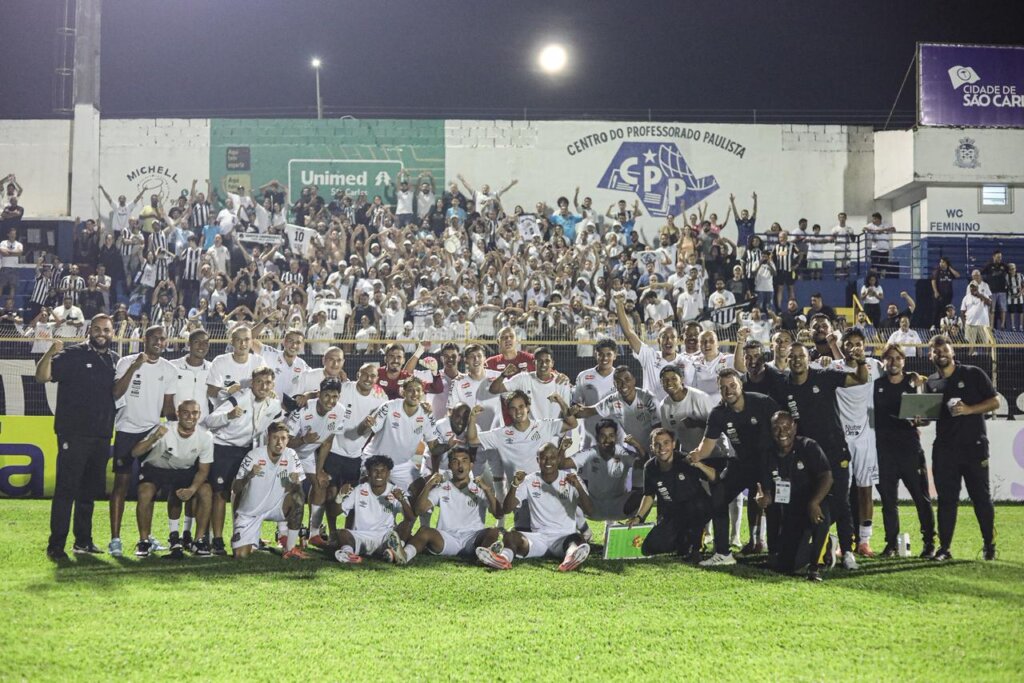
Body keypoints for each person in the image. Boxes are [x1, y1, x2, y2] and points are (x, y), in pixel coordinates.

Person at [772, 342, 868, 569]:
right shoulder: (783, 386)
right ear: (787, 360)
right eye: (792, 356)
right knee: (806, 501)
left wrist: (861, 361)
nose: (797, 360)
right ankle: (814, 545)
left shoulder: (824, 377)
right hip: (807, 457)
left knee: (841, 502)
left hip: (835, 451)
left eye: (801, 356)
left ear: (809, 359)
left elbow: (860, 379)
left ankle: (847, 551)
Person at [36, 316, 119, 561]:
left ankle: (83, 542)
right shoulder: (73, 355)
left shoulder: (115, 360)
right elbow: (41, 377)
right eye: (97, 329)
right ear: (89, 330)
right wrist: (50, 353)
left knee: (88, 493)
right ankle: (56, 545)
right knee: (66, 490)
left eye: (106, 330)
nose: (102, 333)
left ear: (112, 333)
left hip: (102, 435)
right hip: (73, 434)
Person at [687, 368, 779, 567]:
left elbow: (782, 430)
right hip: (741, 464)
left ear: (741, 385)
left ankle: (776, 553)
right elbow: (706, 445)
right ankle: (723, 553)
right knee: (718, 495)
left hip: (769, 463)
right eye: (723, 387)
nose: (728, 390)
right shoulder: (718, 413)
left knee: (772, 503)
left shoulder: (763, 403)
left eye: (732, 385)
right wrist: (696, 455)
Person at [923, 335, 998, 561]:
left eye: (944, 350)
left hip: (974, 447)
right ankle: (944, 548)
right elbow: (929, 416)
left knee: (981, 498)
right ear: (930, 356)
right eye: (936, 351)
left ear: (953, 352)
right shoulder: (931, 383)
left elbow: (995, 402)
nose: (941, 354)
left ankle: (989, 545)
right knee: (946, 500)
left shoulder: (973, 373)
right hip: (945, 450)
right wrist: (918, 419)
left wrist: (969, 409)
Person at [109, 325, 177, 557]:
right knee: (121, 485)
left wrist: (179, 427)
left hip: (151, 433)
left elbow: (168, 407)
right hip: (126, 431)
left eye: (163, 339)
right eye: (155, 338)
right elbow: (116, 392)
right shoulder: (126, 362)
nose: (159, 342)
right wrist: (135, 366)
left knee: (149, 487)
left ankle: (145, 538)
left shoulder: (168, 369)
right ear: (145, 339)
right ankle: (115, 540)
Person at [476, 444, 594, 572]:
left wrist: (578, 487)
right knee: (511, 536)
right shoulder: (530, 480)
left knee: (577, 539)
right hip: (539, 539)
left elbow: (590, 511)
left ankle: (570, 558)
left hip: (565, 538)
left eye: (552, 457)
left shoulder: (571, 479)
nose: (548, 461)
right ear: (538, 460)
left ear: (558, 459)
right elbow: (507, 509)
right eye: (544, 458)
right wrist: (514, 485)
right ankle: (503, 559)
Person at [203, 366, 283, 555]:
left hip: (246, 450)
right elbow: (209, 420)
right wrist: (228, 415)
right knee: (220, 494)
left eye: (268, 383)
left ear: (273, 385)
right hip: (223, 448)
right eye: (259, 382)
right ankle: (217, 540)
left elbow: (278, 425)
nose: (263, 386)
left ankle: (244, 537)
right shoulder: (239, 397)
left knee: (243, 494)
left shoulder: (274, 404)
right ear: (252, 383)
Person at [873, 343, 935, 557]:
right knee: (888, 502)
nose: (893, 362)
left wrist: (921, 420)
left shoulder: (914, 382)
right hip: (884, 452)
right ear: (883, 361)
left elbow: (926, 418)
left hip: (910, 450)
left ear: (904, 361)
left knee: (921, 498)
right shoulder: (877, 385)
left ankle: (929, 543)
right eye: (889, 358)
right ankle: (891, 544)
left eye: (897, 358)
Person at [128, 400, 213, 559]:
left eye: (194, 413)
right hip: (156, 468)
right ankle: (144, 541)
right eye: (185, 412)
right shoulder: (165, 429)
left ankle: (198, 541)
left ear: (199, 415)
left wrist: (192, 489)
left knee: (206, 490)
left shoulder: (205, 437)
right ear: (178, 414)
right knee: (145, 493)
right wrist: (153, 438)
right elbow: (135, 453)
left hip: (183, 470)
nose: (190, 417)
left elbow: (203, 470)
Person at [389, 446, 502, 565]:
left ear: (471, 465)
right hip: (446, 539)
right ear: (449, 466)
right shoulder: (442, 488)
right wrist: (428, 485)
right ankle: (404, 555)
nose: (460, 465)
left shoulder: (480, 489)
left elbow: (498, 514)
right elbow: (419, 510)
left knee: (493, 531)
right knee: (424, 530)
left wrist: (488, 491)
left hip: (473, 539)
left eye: (464, 461)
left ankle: (482, 559)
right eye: (455, 461)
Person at [755, 412, 833, 582]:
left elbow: (827, 476)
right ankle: (822, 547)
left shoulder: (808, 446)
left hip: (814, 504)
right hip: (792, 511)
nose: (782, 432)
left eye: (786, 427)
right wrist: (763, 498)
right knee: (789, 565)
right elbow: (766, 491)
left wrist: (814, 502)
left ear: (795, 428)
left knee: (821, 515)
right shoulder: (767, 454)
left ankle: (815, 565)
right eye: (777, 428)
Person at [827, 329, 884, 556]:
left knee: (865, 490)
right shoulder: (832, 367)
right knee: (840, 492)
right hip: (841, 439)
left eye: (858, 344)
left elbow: (896, 373)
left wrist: (914, 377)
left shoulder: (874, 366)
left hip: (865, 437)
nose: (854, 348)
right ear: (843, 346)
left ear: (864, 345)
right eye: (849, 344)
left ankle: (864, 541)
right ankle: (844, 540)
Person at [318, 360, 387, 539]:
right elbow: (325, 398)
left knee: (352, 496)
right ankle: (332, 532)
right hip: (334, 449)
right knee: (331, 493)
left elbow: (376, 427)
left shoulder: (381, 399)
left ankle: (347, 533)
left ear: (377, 379)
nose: (368, 378)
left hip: (356, 454)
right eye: (365, 374)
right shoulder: (345, 389)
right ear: (358, 375)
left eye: (373, 376)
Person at [626, 428, 718, 561]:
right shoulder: (650, 467)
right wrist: (638, 517)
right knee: (650, 547)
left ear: (674, 444)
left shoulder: (685, 460)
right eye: (657, 444)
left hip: (697, 510)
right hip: (673, 515)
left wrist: (699, 465)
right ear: (652, 447)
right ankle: (683, 541)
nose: (662, 448)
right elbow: (649, 495)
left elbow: (714, 477)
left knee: (694, 507)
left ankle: (696, 546)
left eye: (666, 443)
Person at [231, 422, 308, 559]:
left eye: (283, 438)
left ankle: (290, 548)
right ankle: (253, 540)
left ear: (288, 440)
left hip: (276, 507)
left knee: (298, 497)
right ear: (268, 438)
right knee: (240, 555)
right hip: (251, 513)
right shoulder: (254, 455)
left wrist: (295, 483)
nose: (279, 442)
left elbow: (296, 490)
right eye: (275, 438)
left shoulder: (291, 455)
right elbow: (235, 488)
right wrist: (249, 475)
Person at [359, 376, 448, 494]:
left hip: (401, 464)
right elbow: (365, 430)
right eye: (410, 390)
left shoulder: (426, 414)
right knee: (368, 493)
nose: (415, 393)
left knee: (420, 491)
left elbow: (433, 447)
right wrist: (366, 425)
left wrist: (449, 445)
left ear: (422, 393)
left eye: (418, 390)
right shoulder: (389, 406)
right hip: (375, 458)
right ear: (403, 392)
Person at [286, 378, 343, 548]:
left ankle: (314, 534)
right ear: (319, 394)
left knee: (320, 485)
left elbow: (327, 443)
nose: (330, 400)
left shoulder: (339, 411)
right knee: (292, 492)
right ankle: (284, 535)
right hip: (289, 455)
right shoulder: (303, 409)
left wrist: (319, 471)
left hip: (307, 455)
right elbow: (285, 442)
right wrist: (304, 440)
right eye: (327, 395)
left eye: (335, 396)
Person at [333, 455, 415, 564]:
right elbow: (336, 513)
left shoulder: (396, 491)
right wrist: (340, 496)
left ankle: (397, 551)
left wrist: (401, 500)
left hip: (385, 538)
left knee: (405, 525)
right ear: (368, 473)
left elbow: (410, 518)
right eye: (375, 470)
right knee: (342, 533)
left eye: (383, 471)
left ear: (388, 473)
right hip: (360, 536)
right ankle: (348, 554)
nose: (379, 474)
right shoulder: (359, 490)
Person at [561, 419, 642, 523]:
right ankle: (580, 529)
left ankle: (636, 524)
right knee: (564, 488)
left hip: (619, 506)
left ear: (616, 437)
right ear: (597, 437)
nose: (607, 440)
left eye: (611, 436)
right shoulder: (590, 452)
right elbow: (562, 464)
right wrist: (562, 448)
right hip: (592, 508)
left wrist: (637, 446)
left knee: (646, 492)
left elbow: (644, 464)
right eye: (603, 436)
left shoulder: (622, 452)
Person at [615, 294, 690, 404]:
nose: (668, 340)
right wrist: (619, 304)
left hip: (675, 411)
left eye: (672, 337)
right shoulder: (649, 356)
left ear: (678, 340)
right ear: (658, 340)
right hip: (650, 412)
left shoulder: (685, 362)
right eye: (664, 337)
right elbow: (629, 333)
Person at [487, 345, 572, 421]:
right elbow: (494, 390)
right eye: (540, 361)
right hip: (531, 431)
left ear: (552, 363)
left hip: (554, 431)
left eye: (547, 361)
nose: (543, 364)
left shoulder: (562, 382)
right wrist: (503, 375)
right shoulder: (523, 378)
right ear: (534, 363)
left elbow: (567, 413)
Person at [571, 338, 619, 446]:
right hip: (589, 435)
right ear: (595, 354)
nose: (605, 358)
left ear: (615, 355)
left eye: (609, 354)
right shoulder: (584, 376)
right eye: (601, 354)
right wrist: (577, 409)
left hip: (615, 436)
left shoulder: (621, 377)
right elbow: (576, 407)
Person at [961, 270, 992, 354]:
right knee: (971, 344)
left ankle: (988, 358)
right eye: (971, 287)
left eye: (974, 287)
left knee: (986, 343)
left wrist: (979, 295)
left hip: (983, 322)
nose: (973, 288)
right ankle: (970, 358)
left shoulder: (984, 291)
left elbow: (989, 303)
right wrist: (964, 323)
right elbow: (963, 311)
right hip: (970, 323)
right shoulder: (966, 297)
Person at [981, 250, 1008, 330]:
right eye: (998, 257)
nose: (999, 258)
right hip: (992, 291)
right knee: (992, 309)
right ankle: (991, 326)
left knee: (1003, 309)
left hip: (1002, 291)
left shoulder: (1004, 266)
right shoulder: (989, 266)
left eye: (1000, 257)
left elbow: (1010, 273)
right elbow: (981, 274)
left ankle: (1002, 325)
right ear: (993, 257)